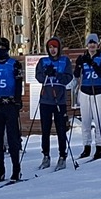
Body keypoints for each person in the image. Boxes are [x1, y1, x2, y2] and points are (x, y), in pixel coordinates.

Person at [0, 37, 25, 182]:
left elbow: (19, 83)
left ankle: (16, 169)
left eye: (2, 48)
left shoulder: (14, 64)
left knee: (13, 138)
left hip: (9, 104)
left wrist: (18, 100)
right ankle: (0, 169)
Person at [34, 38, 73, 166]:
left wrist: (56, 74)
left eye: (55, 47)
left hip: (59, 101)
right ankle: (46, 155)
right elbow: (38, 76)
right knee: (45, 130)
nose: (53, 50)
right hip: (46, 101)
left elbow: (68, 77)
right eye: (50, 47)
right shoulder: (43, 61)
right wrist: (46, 74)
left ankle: (62, 155)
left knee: (61, 129)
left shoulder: (64, 60)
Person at [73, 33, 101, 160]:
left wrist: (93, 64)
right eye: (90, 43)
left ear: (98, 44)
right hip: (85, 91)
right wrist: (78, 64)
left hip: (99, 91)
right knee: (86, 121)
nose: (92, 45)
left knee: (99, 121)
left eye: (94, 43)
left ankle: (99, 147)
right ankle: (86, 147)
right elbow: (77, 74)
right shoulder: (83, 57)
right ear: (87, 45)